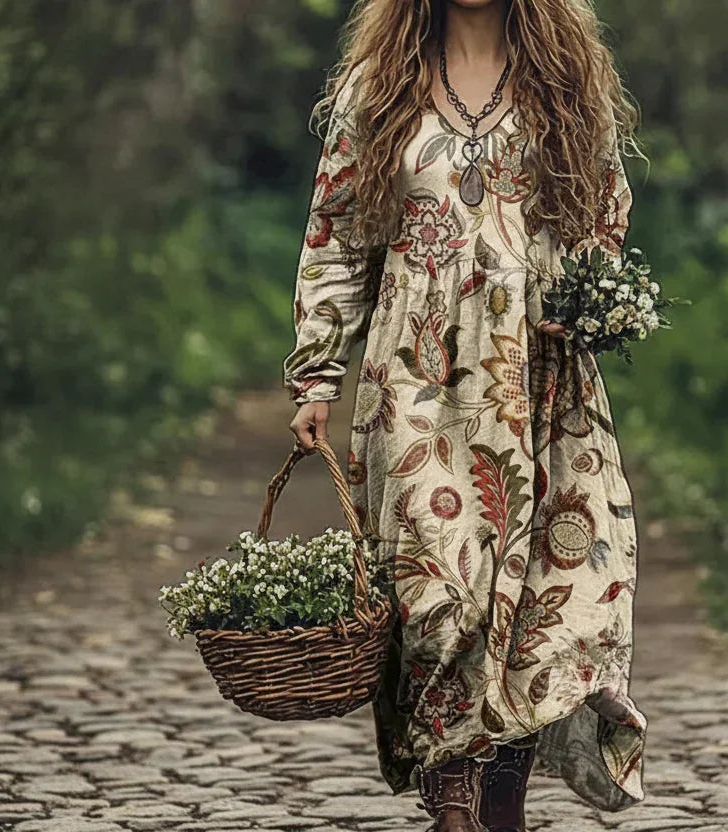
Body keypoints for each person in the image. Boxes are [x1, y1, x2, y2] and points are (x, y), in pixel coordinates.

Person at [284, 1, 646, 829]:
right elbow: (335, 235)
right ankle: (452, 798)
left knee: (526, 609)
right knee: (438, 596)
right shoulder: (379, 86)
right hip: (414, 378)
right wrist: (317, 377)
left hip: (538, 382)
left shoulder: (566, 80)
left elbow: (603, 217)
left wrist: (583, 300)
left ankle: (499, 802)